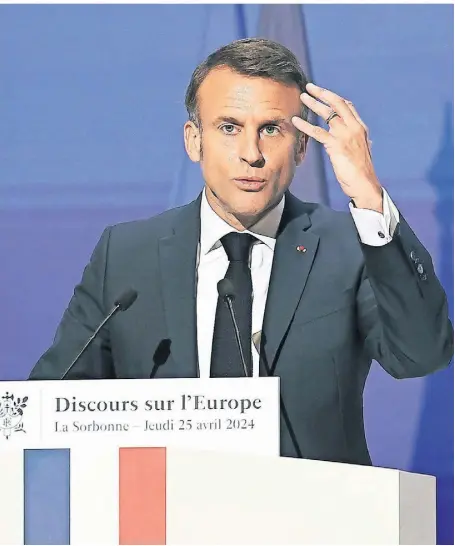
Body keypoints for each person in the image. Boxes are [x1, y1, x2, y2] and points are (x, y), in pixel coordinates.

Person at [29, 38, 453, 465]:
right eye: (229, 128)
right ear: (194, 141)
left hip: (314, 521)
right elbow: (52, 403)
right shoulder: (125, 255)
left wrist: (367, 192)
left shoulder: (348, 246)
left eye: (271, 129)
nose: (251, 154)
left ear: (302, 147)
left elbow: (420, 354)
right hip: (164, 517)